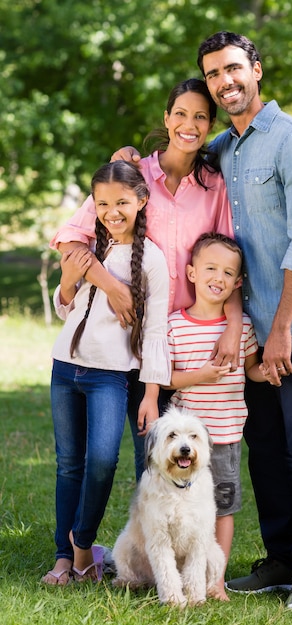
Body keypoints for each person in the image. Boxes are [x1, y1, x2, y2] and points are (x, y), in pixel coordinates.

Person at [112, 30, 292, 610]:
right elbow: (175, 150)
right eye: (214, 74)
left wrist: (282, 327)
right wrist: (130, 161)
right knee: (263, 447)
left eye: (234, 69)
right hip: (247, 329)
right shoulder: (225, 150)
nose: (225, 81)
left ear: (256, 69)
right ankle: (281, 558)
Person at [49, 79, 241, 481]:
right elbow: (70, 238)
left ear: (210, 125)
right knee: (120, 458)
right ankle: (90, 542)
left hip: (182, 344)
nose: (189, 125)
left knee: (169, 465)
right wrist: (112, 286)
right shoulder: (134, 173)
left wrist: (233, 329)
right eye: (181, 114)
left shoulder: (216, 187)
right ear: (166, 118)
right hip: (126, 339)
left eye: (201, 117)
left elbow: (229, 263)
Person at [41, 161, 171, 586]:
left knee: (101, 460)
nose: (111, 211)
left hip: (111, 376)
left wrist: (151, 393)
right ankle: (66, 559)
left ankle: (83, 547)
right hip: (66, 368)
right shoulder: (85, 246)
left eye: (121, 202)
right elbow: (66, 307)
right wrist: (67, 280)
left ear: (141, 201)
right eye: (102, 203)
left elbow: (154, 334)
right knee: (69, 465)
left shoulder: (152, 259)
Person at [165, 232, 270, 600]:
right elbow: (167, 380)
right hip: (184, 440)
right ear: (191, 272)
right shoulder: (174, 326)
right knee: (181, 507)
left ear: (238, 282)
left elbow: (252, 369)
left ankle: (215, 580)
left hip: (225, 436)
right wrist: (202, 376)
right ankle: (178, 571)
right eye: (210, 268)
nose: (219, 277)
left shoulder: (242, 329)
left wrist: (268, 372)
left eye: (228, 273)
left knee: (223, 509)